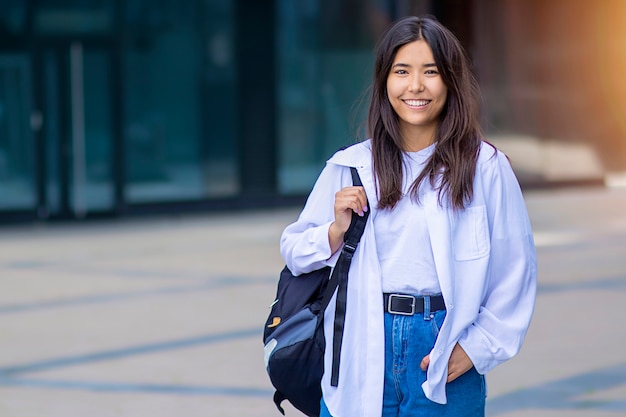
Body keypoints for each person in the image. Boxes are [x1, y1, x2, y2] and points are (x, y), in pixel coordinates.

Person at [280, 15, 537, 417]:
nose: (415, 86)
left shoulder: (483, 166)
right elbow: (294, 251)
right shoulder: (351, 166)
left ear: (450, 81)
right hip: (361, 340)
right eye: (402, 71)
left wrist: (476, 348)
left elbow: (515, 270)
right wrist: (334, 231)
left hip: (442, 341)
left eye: (430, 72)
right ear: (385, 81)